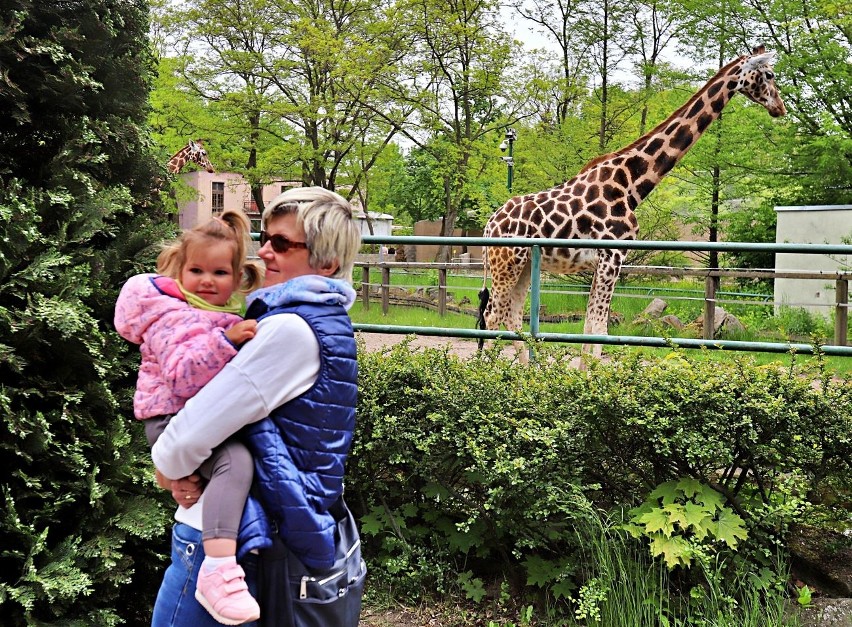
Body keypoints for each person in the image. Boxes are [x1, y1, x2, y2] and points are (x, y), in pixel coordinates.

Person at [149, 187, 363, 626]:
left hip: (215, 533)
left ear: (326, 263)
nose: (263, 251)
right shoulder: (325, 321)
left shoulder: (288, 328)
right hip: (248, 527)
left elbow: (186, 436)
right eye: (265, 237)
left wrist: (169, 466)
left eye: (282, 243)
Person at [114, 210, 264, 625]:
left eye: (219, 271)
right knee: (235, 462)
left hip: (190, 419)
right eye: (196, 269)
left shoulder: (219, 312)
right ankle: (217, 567)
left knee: (213, 472)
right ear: (179, 269)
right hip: (169, 417)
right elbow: (182, 378)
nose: (207, 280)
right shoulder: (172, 314)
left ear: (236, 277)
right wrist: (225, 340)